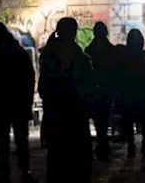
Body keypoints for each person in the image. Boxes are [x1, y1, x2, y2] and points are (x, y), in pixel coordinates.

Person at [0, 23, 37, 183]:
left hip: (1, 104)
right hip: (19, 104)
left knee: (2, 143)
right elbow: (30, 78)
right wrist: (28, 100)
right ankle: (25, 171)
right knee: (21, 141)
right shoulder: (20, 53)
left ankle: (5, 175)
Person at [37, 17, 93, 183]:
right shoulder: (81, 58)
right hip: (73, 115)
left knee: (57, 160)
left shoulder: (49, 56)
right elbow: (88, 87)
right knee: (75, 161)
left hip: (58, 115)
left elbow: (43, 88)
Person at [118, 29, 145, 158]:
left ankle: (132, 146)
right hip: (144, 95)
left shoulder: (124, 58)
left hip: (129, 96)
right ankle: (144, 147)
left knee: (130, 122)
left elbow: (118, 77)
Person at [84, 21, 117, 161]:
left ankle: (102, 144)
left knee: (99, 120)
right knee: (103, 118)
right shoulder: (111, 50)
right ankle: (103, 144)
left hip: (95, 90)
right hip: (106, 89)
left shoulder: (89, 50)